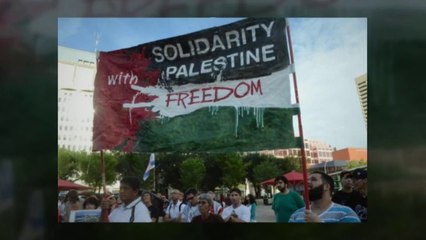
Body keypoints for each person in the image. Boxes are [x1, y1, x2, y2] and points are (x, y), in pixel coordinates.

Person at [289, 171, 360, 223]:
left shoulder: (346, 213)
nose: (307, 182)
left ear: (326, 186)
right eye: (307, 180)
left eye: (313, 179)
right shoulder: (296, 215)